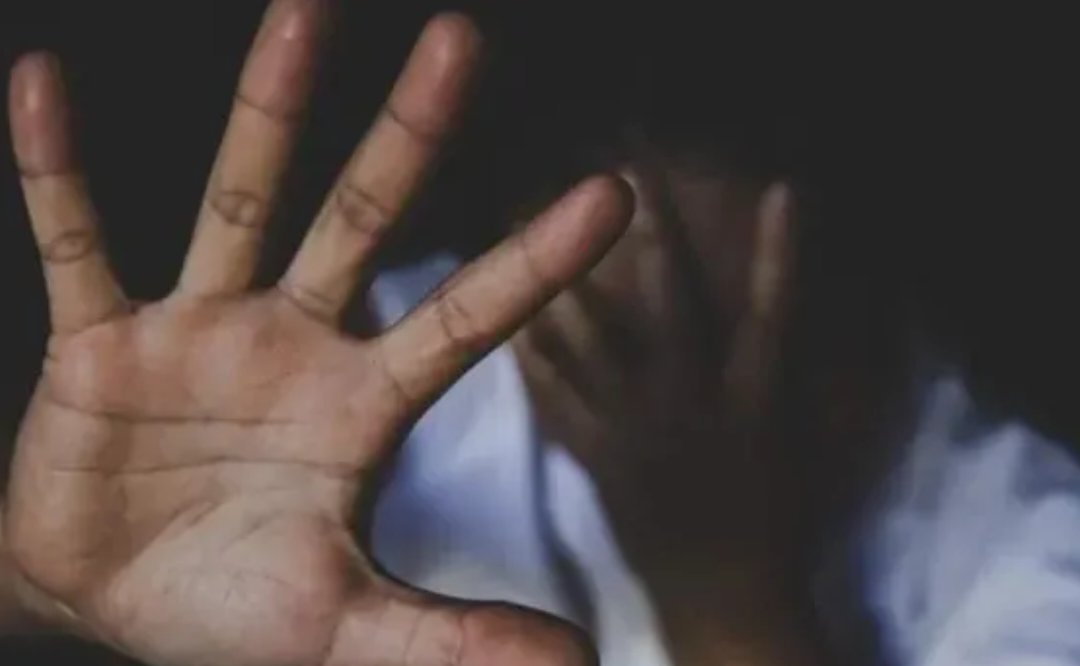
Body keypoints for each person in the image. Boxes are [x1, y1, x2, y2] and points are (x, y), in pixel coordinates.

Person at [3, 2, 1080, 666]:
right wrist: (34, 593)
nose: (653, 408)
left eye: (718, 332)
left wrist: (727, 597)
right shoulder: (360, 370)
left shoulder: (1038, 551)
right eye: (602, 330)